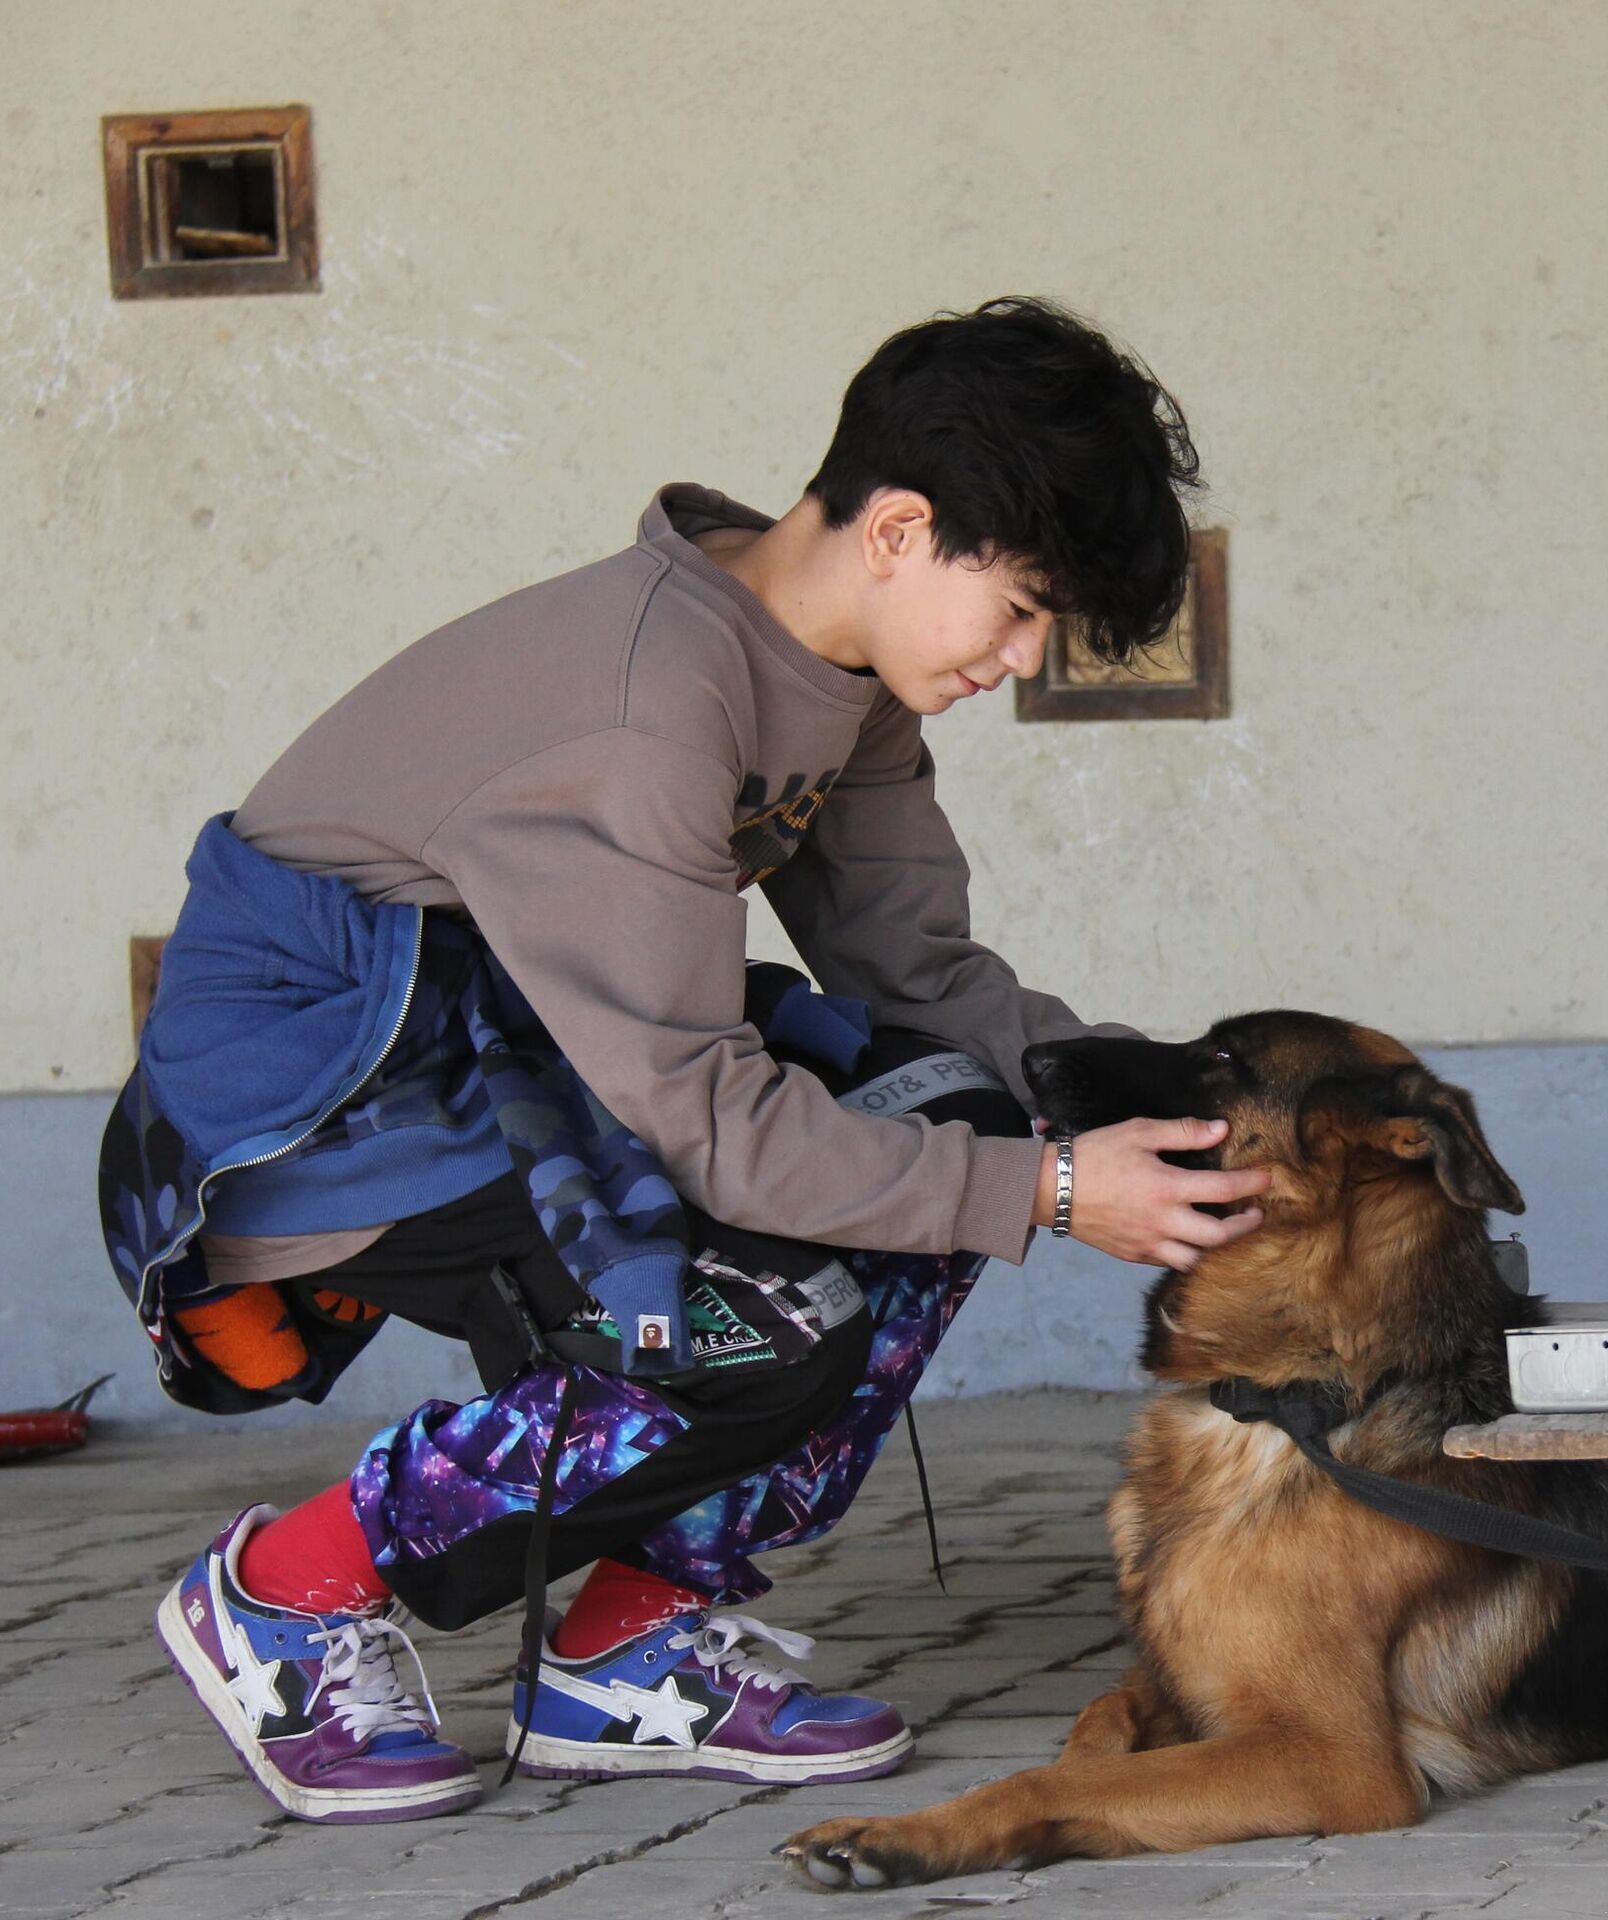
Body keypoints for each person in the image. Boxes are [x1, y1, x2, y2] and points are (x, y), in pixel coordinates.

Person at [101, 296, 1272, 1824]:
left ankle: (623, 1643)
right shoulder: (654, 699)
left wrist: (1182, 1112)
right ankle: (285, 1587)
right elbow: (717, 1127)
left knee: (953, 1114)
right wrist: (1055, 1191)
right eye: (1025, 607)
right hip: (320, 1089)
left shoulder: (840, 681)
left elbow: (918, 980)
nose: (1023, 658)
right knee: (754, 1316)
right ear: (903, 529)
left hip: (532, 1051)